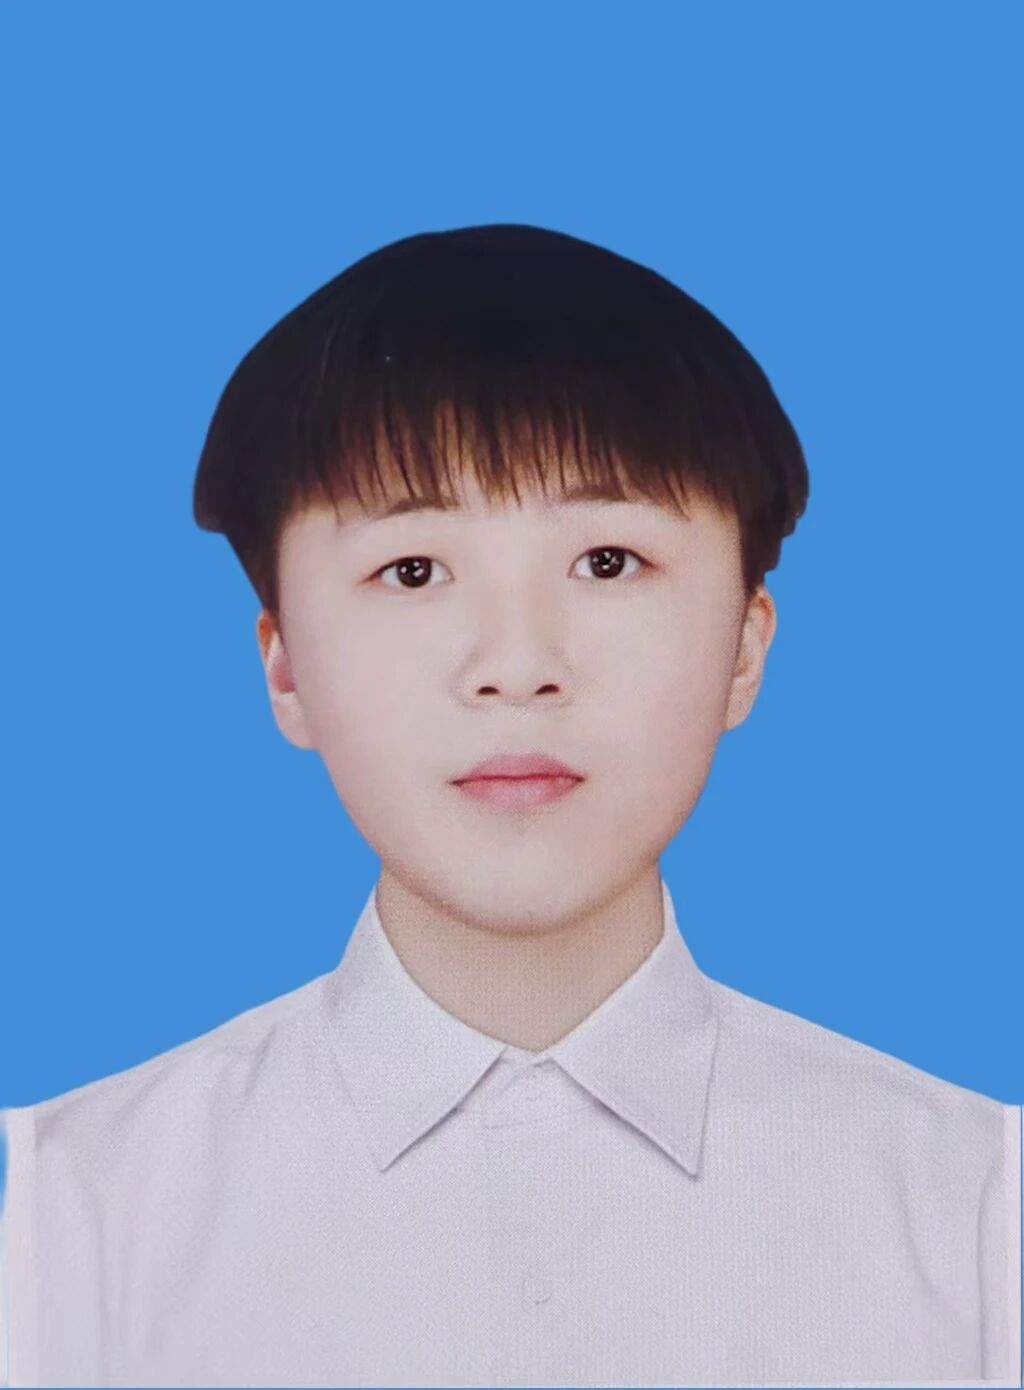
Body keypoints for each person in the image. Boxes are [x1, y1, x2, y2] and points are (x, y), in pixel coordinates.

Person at [0, 224, 1019, 1388]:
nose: (518, 666)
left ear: (745, 646)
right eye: (413, 570)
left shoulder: (976, 1206)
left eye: (607, 561)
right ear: (283, 667)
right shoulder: (66, 1212)